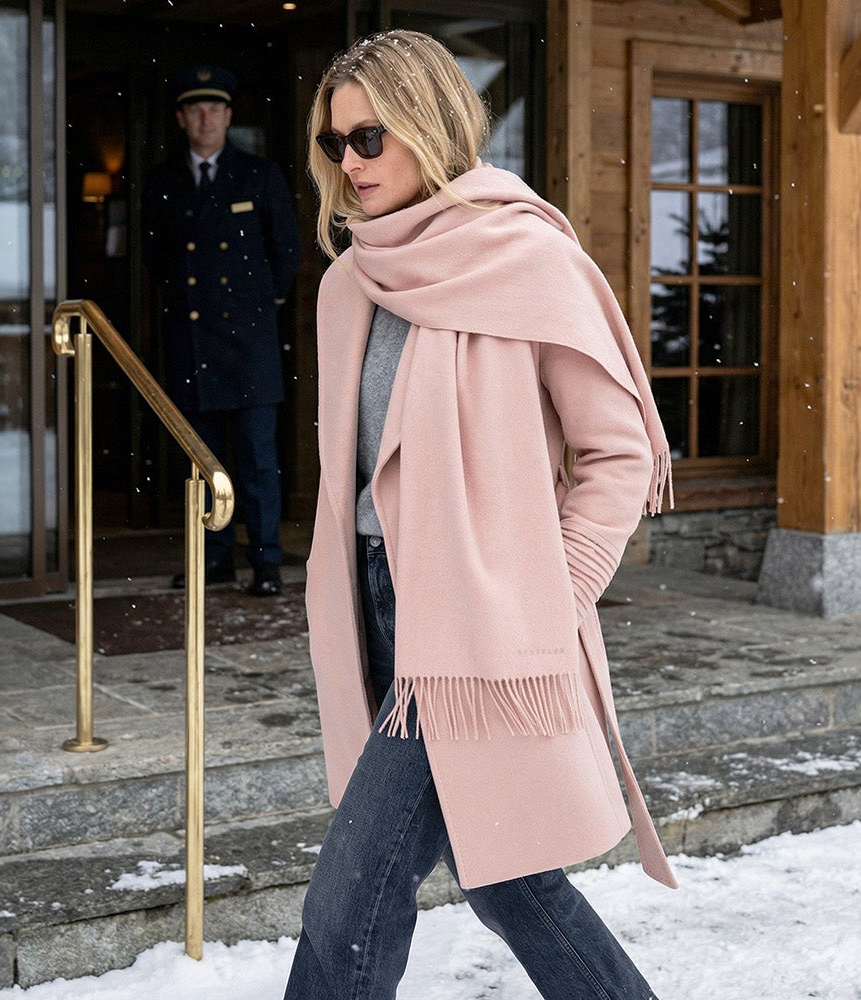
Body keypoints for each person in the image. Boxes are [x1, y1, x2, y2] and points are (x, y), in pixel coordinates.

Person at [288, 30, 677, 1000]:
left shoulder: (522, 258)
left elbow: (620, 451)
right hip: (378, 605)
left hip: (474, 628)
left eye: (370, 137)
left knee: (348, 903)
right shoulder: (348, 285)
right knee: (511, 881)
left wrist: (550, 592)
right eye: (337, 143)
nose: (349, 163)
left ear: (430, 122)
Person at [143, 65, 301, 597]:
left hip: (250, 346)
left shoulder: (258, 175)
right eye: (196, 110)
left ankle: (266, 563)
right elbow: (156, 262)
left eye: (216, 109)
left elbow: (287, 255)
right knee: (202, 465)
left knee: (258, 463)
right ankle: (211, 560)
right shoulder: (164, 182)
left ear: (229, 117)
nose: (206, 118)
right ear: (183, 119)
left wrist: (259, 308)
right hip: (193, 343)